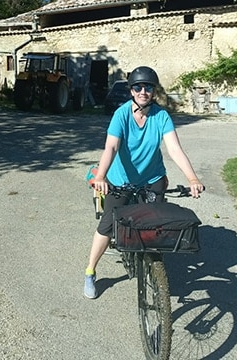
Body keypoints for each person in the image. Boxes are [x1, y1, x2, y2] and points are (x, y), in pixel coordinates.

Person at [84, 66, 204, 299]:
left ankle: (152, 266)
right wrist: (101, 177)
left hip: (152, 179)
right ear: (131, 90)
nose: (143, 91)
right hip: (121, 180)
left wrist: (192, 178)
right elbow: (111, 147)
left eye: (148, 87)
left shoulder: (161, 116)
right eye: (138, 87)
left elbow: (174, 149)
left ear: (154, 91)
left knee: (155, 225)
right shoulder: (122, 115)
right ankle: (90, 271)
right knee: (108, 225)